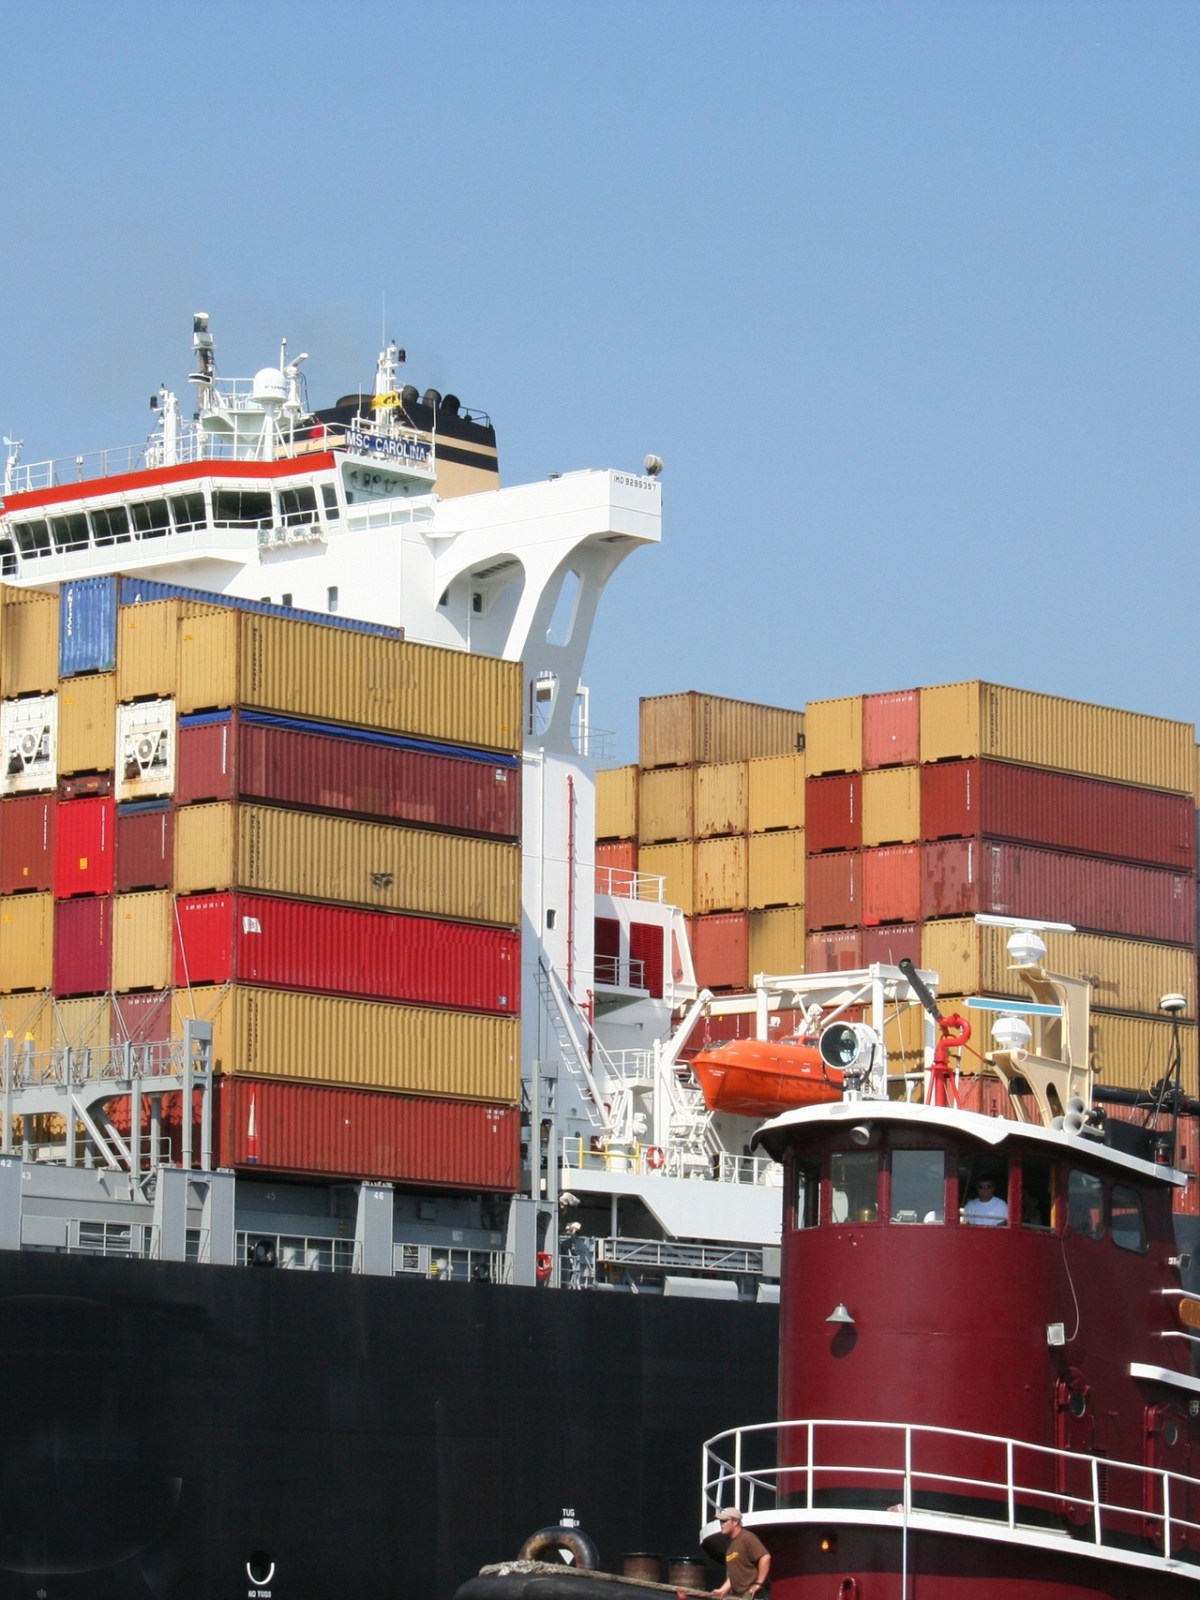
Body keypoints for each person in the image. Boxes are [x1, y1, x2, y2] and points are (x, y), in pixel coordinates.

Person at [712, 1508, 769, 1598]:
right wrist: (722, 1590)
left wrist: (758, 1583)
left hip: (751, 1593)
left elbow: (765, 1557)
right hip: (738, 1595)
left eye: (724, 1521)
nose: (721, 1524)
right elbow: (735, 1574)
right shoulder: (730, 1544)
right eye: (720, 1521)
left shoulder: (747, 1538)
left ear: (735, 1522)